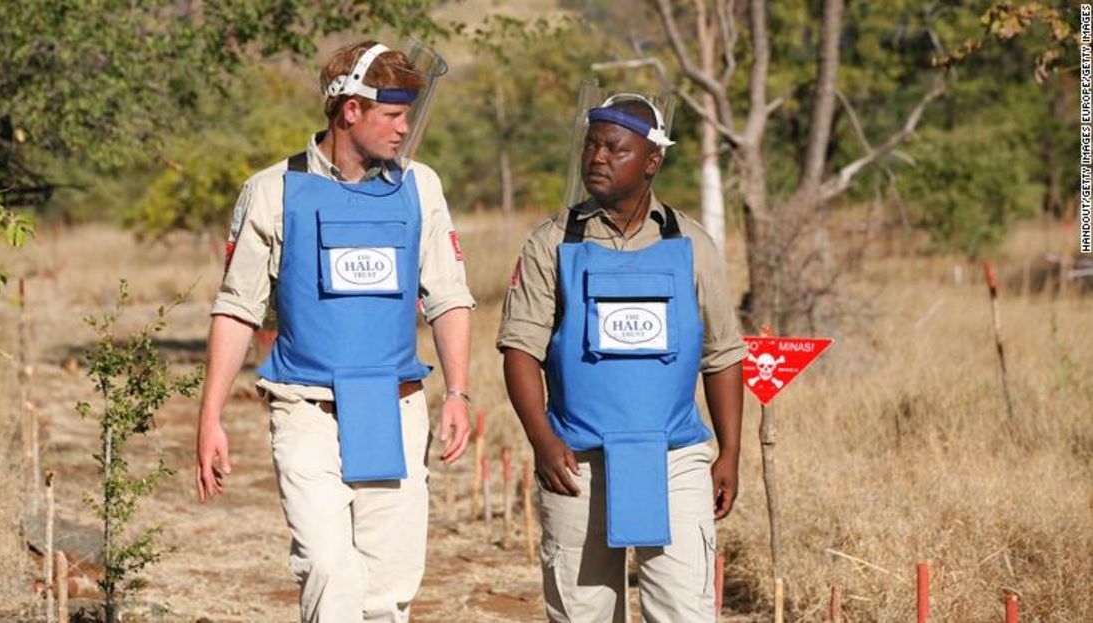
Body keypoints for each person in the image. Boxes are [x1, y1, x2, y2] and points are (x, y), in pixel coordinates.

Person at [194, 40, 475, 622]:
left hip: (394, 408)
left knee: (384, 593)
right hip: (305, 409)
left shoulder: (421, 186)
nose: (404, 130)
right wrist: (210, 416)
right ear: (351, 110)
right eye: (393, 116)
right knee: (329, 568)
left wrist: (458, 392)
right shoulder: (272, 190)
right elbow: (237, 306)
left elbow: (448, 296)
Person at [497, 93, 747, 622]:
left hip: (676, 460)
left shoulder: (693, 244)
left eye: (615, 148)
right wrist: (543, 441)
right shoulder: (551, 242)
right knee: (582, 612)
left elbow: (722, 354)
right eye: (591, 146)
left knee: (684, 609)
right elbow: (520, 349)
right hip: (577, 461)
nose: (597, 158)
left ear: (652, 161)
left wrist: (729, 451)